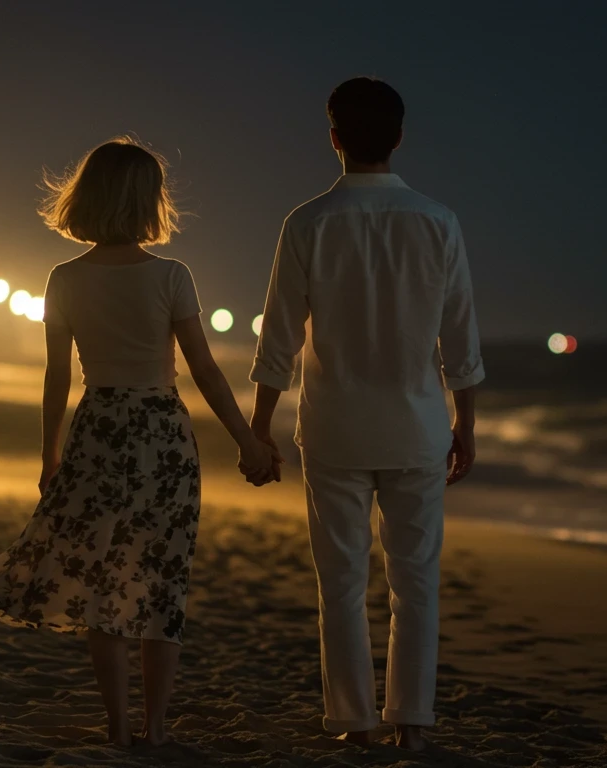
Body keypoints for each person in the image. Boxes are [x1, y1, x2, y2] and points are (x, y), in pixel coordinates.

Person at [0, 136, 280, 748]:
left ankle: (117, 726)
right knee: (162, 582)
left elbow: (57, 379)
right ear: (149, 202)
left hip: (97, 432)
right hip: (161, 434)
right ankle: (156, 727)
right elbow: (206, 371)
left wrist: (49, 457)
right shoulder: (171, 276)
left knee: (102, 587)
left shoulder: (63, 279)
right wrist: (248, 442)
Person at [247, 77, 485, 751]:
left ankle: (352, 719)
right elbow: (460, 337)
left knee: (342, 583)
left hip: (335, 426)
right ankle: (411, 721)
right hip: (417, 426)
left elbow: (280, 342)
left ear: (334, 139)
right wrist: (466, 424)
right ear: (399, 137)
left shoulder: (308, 222)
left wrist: (259, 429)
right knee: (416, 582)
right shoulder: (439, 221)